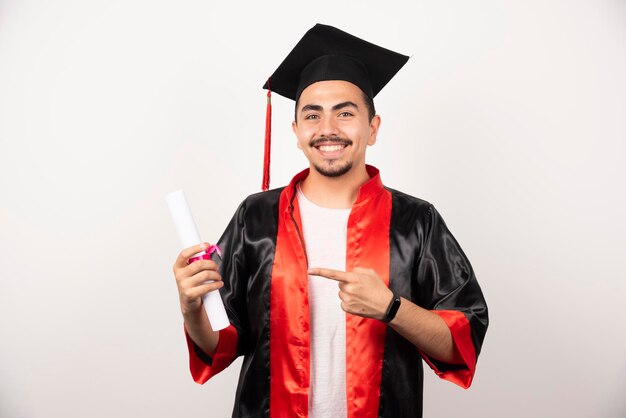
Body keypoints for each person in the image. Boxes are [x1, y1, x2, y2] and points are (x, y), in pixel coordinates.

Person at [172, 24, 488, 418]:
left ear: (372, 128)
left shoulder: (415, 221)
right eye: (312, 115)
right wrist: (191, 308)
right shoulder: (255, 217)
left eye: (345, 113)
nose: (328, 130)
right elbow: (221, 341)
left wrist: (391, 308)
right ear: (297, 132)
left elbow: (462, 339)